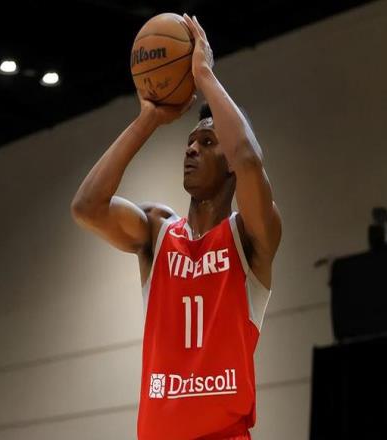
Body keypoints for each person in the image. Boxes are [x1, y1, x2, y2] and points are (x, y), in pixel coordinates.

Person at [70, 13, 282, 440]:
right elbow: (87, 207)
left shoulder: (250, 236)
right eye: (189, 142)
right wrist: (148, 119)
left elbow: (248, 158)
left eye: (207, 142)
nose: (191, 149)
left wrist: (203, 76)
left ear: (229, 164)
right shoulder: (157, 232)